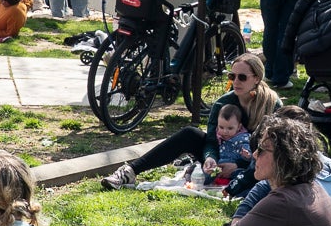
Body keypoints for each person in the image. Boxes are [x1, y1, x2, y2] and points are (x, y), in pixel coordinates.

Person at [103, 51, 281, 188]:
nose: (236, 82)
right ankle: (130, 172)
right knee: (191, 133)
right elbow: (212, 140)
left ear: (257, 78)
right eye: (231, 76)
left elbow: (277, 147)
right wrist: (210, 158)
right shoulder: (223, 103)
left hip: (254, 162)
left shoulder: (272, 104)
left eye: (242, 77)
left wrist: (238, 165)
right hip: (220, 158)